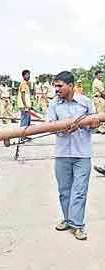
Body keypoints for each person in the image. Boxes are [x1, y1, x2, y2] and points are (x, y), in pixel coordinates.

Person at [49, 71, 99, 241]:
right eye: (55, 86)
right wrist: (62, 129)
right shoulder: (54, 104)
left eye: (60, 86)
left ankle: (77, 225)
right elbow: (50, 127)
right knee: (64, 191)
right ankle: (68, 219)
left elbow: (94, 126)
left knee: (79, 191)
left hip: (82, 153)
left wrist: (92, 124)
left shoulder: (86, 103)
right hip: (62, 153)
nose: (57, 89)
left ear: (70, 86)